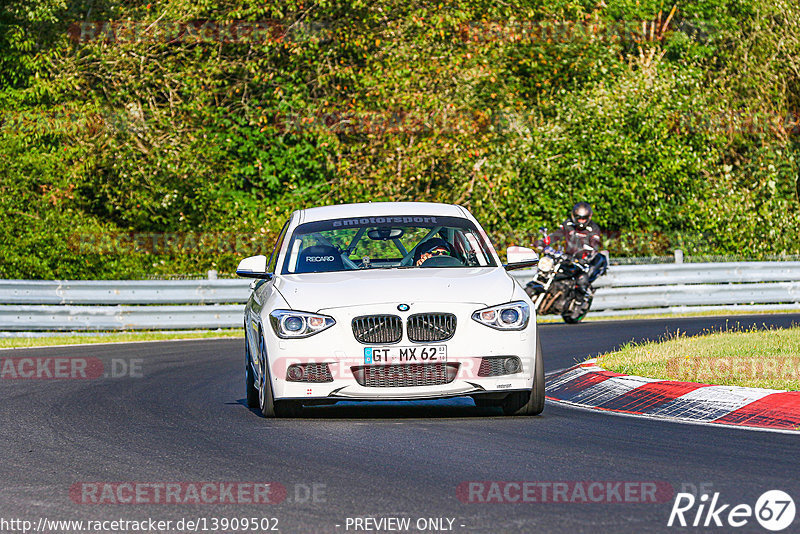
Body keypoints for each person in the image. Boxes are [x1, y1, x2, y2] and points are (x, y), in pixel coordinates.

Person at [535, 202, 608, 295]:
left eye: (583, 218)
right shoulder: (568, 224)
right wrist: (543, 243)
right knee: (547, 274)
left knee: (581, 282)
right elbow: (556, 235)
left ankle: (579, 303)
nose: (581, 221)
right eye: (579, 218)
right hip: (566, 258)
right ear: (574, 216)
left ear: (589, 217)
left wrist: (588, 255)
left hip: (582, 261)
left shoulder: (593, 228)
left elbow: (595, 244)